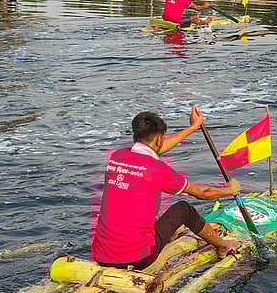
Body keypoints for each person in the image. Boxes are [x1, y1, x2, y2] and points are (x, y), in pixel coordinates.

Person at [92, 108, 240, 268]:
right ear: (158, 140)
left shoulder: (116, 157)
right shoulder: (157, 169)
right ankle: (223, 246)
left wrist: (193, 127)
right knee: (184, 209)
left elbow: (156, 148)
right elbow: (202, 193)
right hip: (139, 257)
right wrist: (230, 190)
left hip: (101, 255)